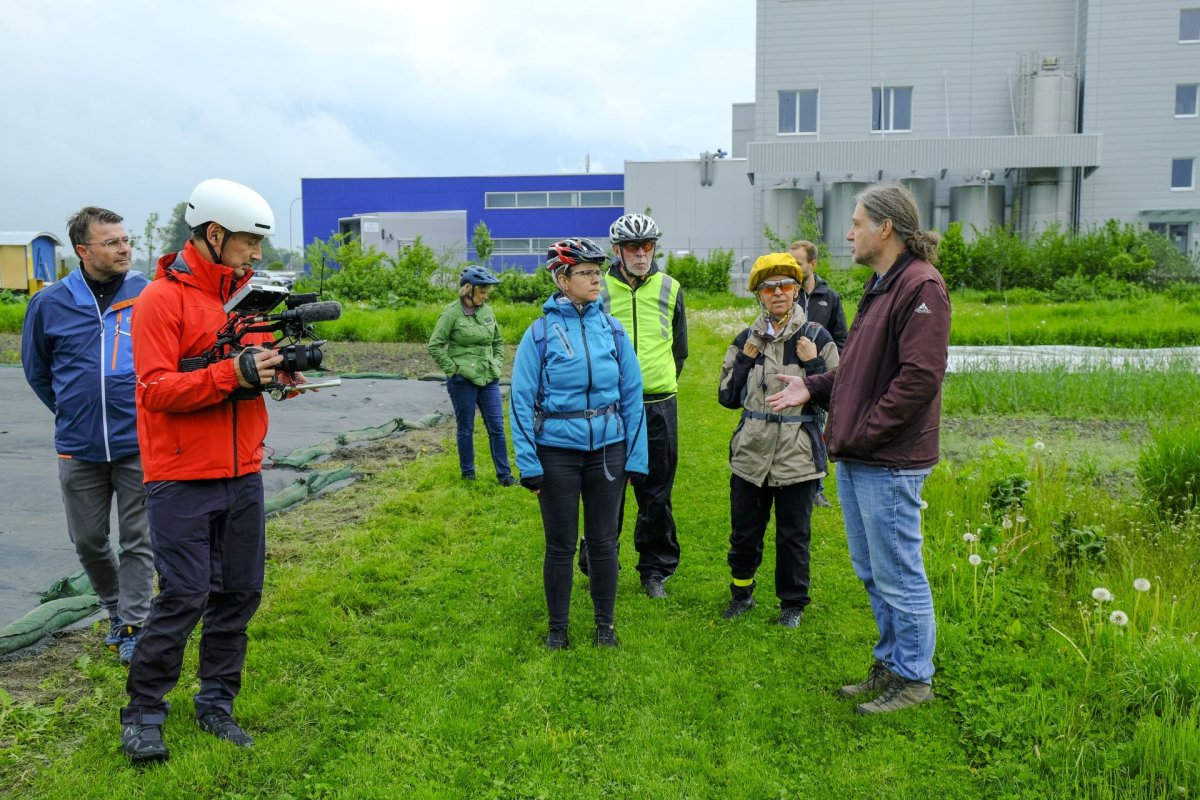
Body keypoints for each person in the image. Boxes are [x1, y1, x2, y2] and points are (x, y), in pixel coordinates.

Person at [120, 179, 291, 763]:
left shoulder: (250, 299)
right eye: (249, 242)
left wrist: (278, 374)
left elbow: (256, 365)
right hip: (180, 478)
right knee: (185, 596)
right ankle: (143, 713)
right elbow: (155, 389)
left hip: (243, 473)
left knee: (239, 594)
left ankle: (216, 704)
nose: (256, 254)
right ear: (214, 234)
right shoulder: (160, 300)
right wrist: (231, 375)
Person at [767, 182, 950, 714]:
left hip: (888, 459)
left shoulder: (921, 285)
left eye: (856, 223)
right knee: (874, 570)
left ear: (885, 227)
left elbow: (918, 380)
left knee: (899, 571)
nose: (848, 234)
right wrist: (813, 387)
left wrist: (864, 431)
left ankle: (914, 679)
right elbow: (859, 372)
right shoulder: (882, 284)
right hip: (862, 453)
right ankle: (892, 664)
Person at [21, 206, 154, 665]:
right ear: (83, 250)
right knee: (88, 540)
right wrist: (72, 413)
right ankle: (117, 610)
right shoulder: (49, 304)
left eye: (125, 240)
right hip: (78, 447)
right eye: (111, 242)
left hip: (138, 442)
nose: (124, 249)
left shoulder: (147, 294)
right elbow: (38, 373)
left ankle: (134, 624)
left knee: (138, 539)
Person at [510, 238, 648, 650]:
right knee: (561, 544)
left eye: (596, 272)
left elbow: (632, 395)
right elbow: (520, 400)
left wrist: (636, 458)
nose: (596, 279)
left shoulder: (613, 330)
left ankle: (605, 626)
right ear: (562, 279)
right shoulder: (539, 334)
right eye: (586, 273)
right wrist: (529, 463)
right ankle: (558, 628)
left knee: (604, 542)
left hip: (608, 450)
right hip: (556, 453)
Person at [717, 253, 838, 627]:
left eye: (786, 285)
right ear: (759, 295)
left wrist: (814, 364)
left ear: (797, 290)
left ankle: (792, 606)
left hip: (797, 454)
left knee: (793, 536)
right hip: (750, 453)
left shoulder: (816, 338)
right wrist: (744, 361)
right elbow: (726, 397)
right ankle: (741, 594)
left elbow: (837, 398)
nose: (778, 293)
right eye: (769, 288)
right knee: (744, 533)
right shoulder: (745, 340)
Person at [581, 213, 687, 599]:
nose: (641, 254)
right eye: (632, 247)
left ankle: (654, 570)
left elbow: (679, 349)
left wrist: (656, 379)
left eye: (648, 246)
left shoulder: (671, 287)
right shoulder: (599, 288)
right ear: (617, 250)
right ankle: (600, 563)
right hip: (610, 406)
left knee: (655, 491)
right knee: (606, 488)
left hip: (659, 406)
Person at [428, 265, 516, 486]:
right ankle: (468, 475)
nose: (486, 296)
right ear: (469, 290)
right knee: (466, 429)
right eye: (482, 291)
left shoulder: (487, 311)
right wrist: (453, 369)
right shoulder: (451, 313)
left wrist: (497, 363)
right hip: (463, 380)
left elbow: (498, 342)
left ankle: (505, 476)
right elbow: (435, 345)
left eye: (487, 292)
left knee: (497, 428)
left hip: (488, 377)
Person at [788, 239, 848, 508]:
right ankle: (786, 480)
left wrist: (830, 365)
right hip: (790, 373)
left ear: (813, 264)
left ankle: (817, 488)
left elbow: (841, 338)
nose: (793, 268)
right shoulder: (788, 291)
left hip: (819, 373)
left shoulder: (829, 297)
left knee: (817, 428)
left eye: (798, 263)